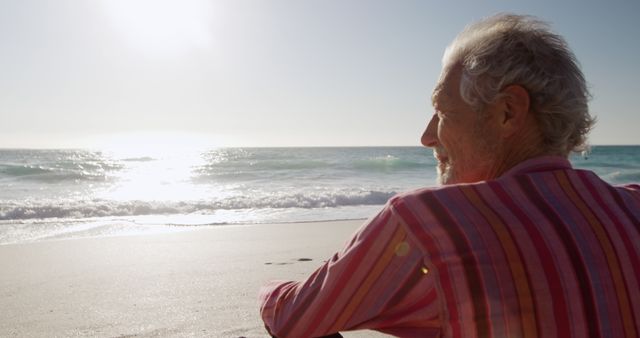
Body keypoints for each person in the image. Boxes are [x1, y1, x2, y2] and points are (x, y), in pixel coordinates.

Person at [259, 13, 640, 337]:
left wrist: (270, 291)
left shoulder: (428, 222)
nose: (426, 137)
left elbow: (295, 317)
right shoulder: (633, 208)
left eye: (441, 112)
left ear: (507, 111)